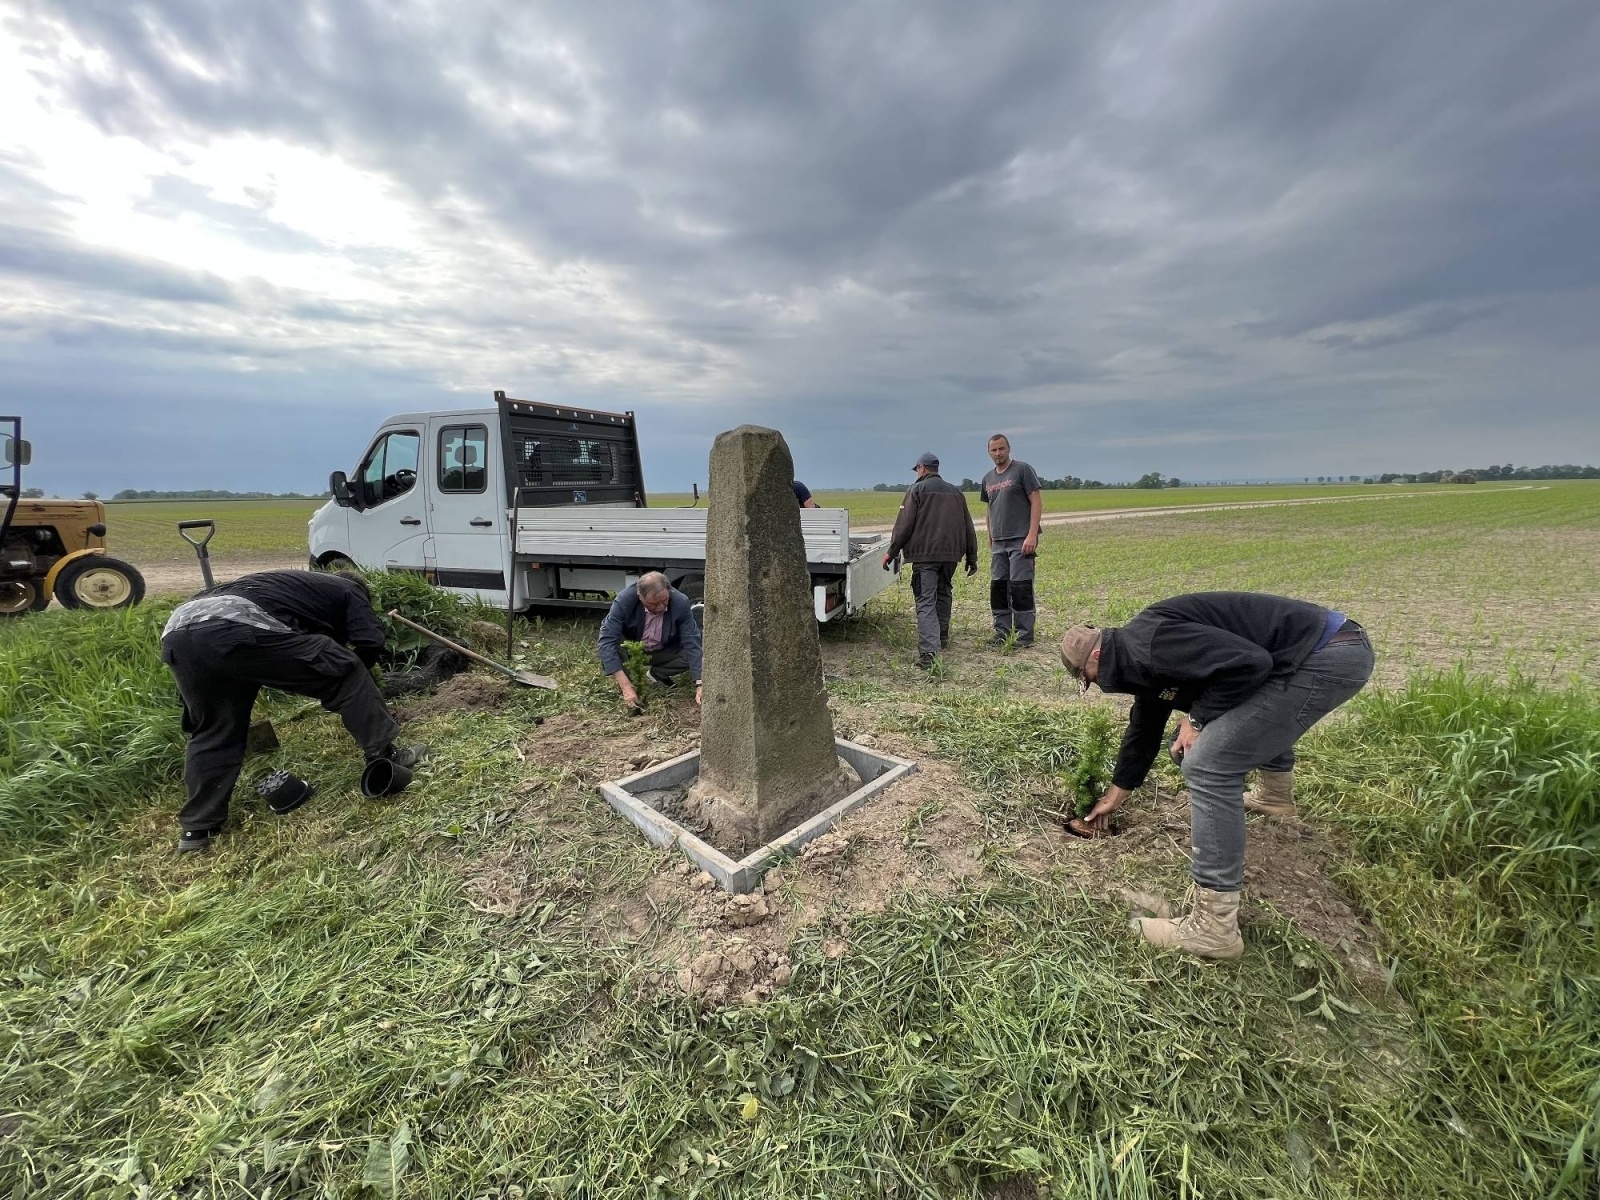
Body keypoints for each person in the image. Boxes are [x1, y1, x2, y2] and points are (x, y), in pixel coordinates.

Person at [1058, 593, 1374, 959]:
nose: (1095, 686)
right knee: (1221, 733)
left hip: (1323, 656)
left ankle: (1214, 927)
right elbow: (1144, 726)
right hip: (1322, 649)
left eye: (1088, 679)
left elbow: (1251, 664)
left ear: (1096, 657)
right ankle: (1274, 798)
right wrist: (1117, 793)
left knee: (1206, 763)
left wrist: (1196, 718)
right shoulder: (1140, 653)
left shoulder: (1150, 645)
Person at [159, 570, 425, 853]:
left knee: (214, 728)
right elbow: (370, 641)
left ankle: (197, 829)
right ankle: (386, 756)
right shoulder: (350, 589)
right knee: (345, 667)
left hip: (178, 633)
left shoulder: (290, 588)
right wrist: (355, 674)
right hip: (235, 625)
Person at [882, 452, 979, 668]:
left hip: (925, 555)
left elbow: (904, 525)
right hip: (951, 555)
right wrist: (972, 557)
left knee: (926, 599)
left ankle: (929, 654)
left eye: (917, 469)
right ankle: (942, 638)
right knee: (944, 593)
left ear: (921, 468)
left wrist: (892, 551)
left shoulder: (916, 490)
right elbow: (968, 526)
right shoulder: (956, 492)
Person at [598, 571, 703, 710]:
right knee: (613, 642)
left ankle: (657, 673)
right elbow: (606, 641)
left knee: (699, 651)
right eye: (653, 604)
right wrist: (626, 687)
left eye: (664, 601)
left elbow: (692, 641)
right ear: (640, 597)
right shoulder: (625, 600)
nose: (660, 607)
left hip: (664, 651)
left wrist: (700, 684)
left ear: (669, 591)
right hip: (633, 651)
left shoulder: (680, 602)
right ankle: (630, 684)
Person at [979, 434, 1043, 646]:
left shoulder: (1022, 470)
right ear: (989, 452)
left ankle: (1024, 636)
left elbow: (1036, 502)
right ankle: (1002, 632)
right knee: (998, 589)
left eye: (1001, 449)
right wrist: (990, 536)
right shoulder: (987, 479)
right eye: (994, 450)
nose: (998, 453)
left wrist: (1032, 534)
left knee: (1020, 588)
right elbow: (989, 508)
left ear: (1009, 449)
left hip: (1020, 540)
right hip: (999, 542)